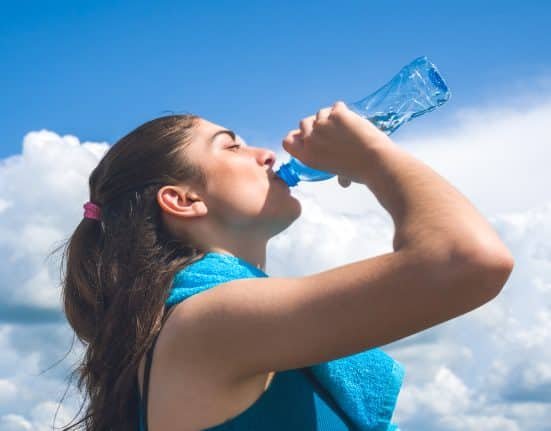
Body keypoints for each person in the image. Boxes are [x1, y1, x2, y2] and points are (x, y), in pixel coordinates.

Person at [56, 101, 514, 430]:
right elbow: (468, 260)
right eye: (231, 146)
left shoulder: (203, 322)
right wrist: (374, 158)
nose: (266, 154)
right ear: (183, 200)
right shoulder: (209, 321)